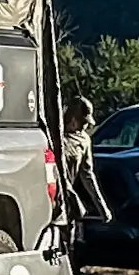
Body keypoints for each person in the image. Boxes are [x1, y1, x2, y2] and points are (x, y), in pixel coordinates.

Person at [59, 95, 109, 223]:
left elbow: (87, 175)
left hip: (67, 200)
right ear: (73, 119)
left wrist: (102, 207)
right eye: (83, 122)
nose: (84, 127)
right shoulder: (54, 136)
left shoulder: (84, 140)